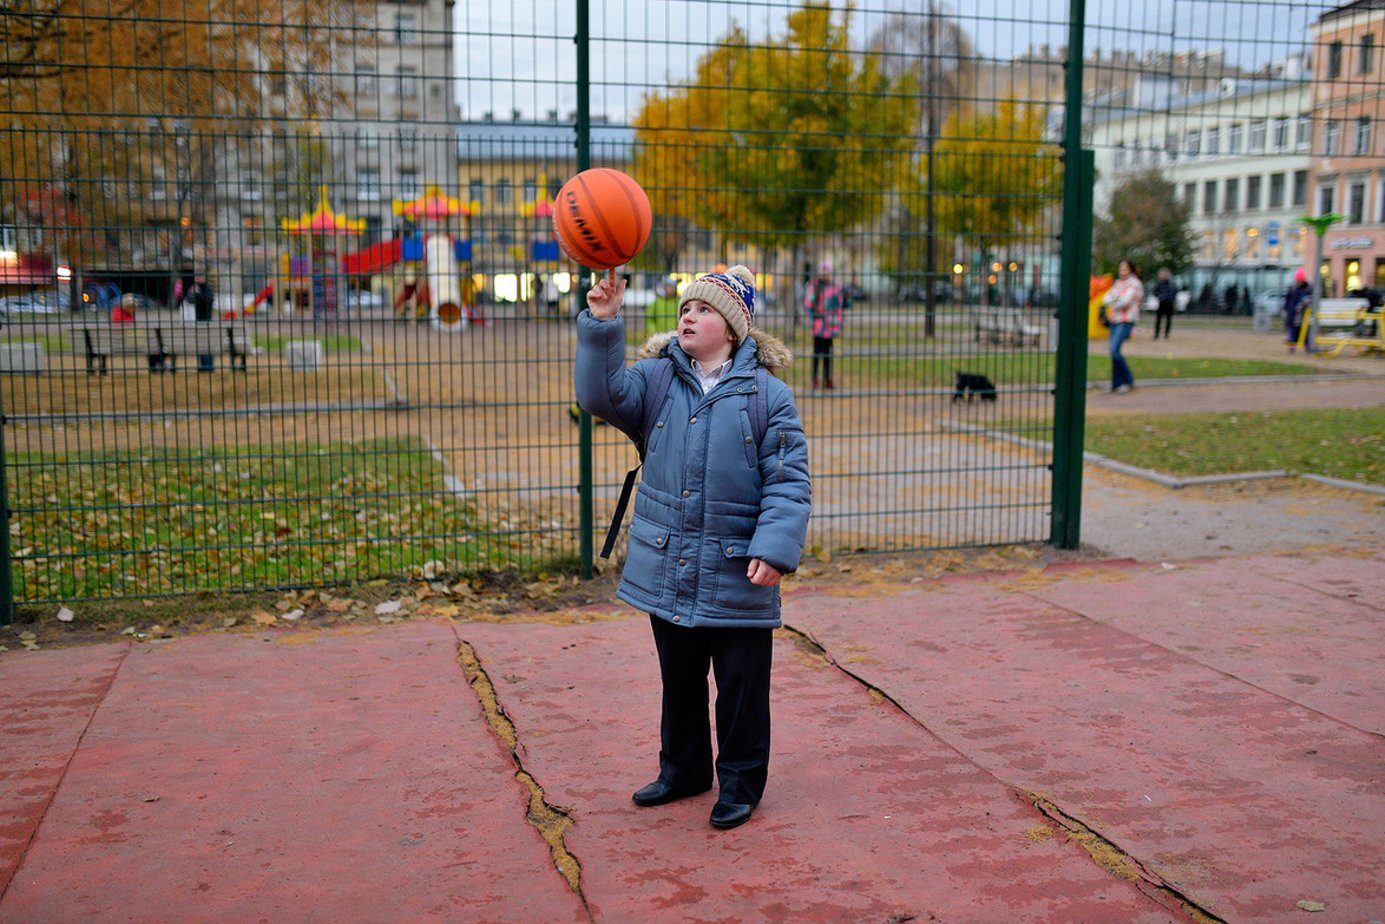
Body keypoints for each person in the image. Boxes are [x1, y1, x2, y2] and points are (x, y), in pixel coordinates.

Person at [574, 264, 811, 831]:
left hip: (738, 569)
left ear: (731, 329)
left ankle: (740, 782)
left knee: (740, 689)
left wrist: (775, 547)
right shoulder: (657, 380)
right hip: (670, 563)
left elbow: (787, 479)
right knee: (679, 679)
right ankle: (683, 770)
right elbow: (600, 395)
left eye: (704, 309)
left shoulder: (767, 397)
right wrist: (603, 324)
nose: (689, 315)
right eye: (685, 308)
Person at [803, 259, 846, 389]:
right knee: (816, 353)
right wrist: (810, 318)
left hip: (830, 326)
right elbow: (808, 304)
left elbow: (839, 305)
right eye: (822, 271)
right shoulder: (813, 286)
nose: (824, 274)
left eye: (827, 272)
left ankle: (828, 379)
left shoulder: (835, 288)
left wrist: (837, 320)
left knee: (828, 353)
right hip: (817, 325)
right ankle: (815, 379)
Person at [1103, 259, 1143, 394]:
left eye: (1124, 268)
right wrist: (1116, 301)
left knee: (1114, 350)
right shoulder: (1118, 283)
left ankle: (1128, 380)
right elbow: (1106, 298)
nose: (1121, 270)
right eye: (1120, 268)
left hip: (1126, 320)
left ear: (1130, 269)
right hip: (1115, 320)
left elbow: (1125, 302)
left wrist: (1115, 301)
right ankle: (1116, 383)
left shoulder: (1135, 284)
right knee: (1114, 351)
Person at [1283, 267, 1313, 353]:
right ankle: (1292, 345)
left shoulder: (1307, 289)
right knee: (1292, 330)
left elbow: (1309, 300)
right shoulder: (1292, 289)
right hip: (1292, 313)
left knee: (1304, 330)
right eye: (1298, 280)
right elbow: (1287, 300)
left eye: (1300, 280)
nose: (1299, 282)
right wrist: (1285, 310)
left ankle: (1307, 345)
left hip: (1302, 314)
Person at [1152, 268, 1176, 339]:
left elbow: (1175, 291)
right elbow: (1154, 292)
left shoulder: (1171, 283)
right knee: (1158, 319)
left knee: (1168, 319)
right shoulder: (1159, 283)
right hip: (1162, 303)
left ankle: (1166, 334)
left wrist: (1172, 298)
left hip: (1169, 303)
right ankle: (1157, 333)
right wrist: (1160, 296)